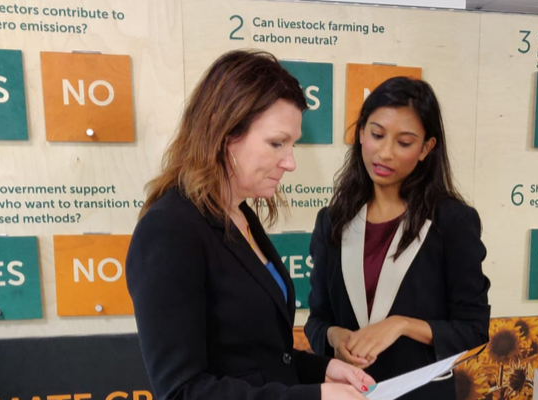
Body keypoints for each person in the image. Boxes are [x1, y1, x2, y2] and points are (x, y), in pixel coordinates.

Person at [126, 49, 374, 400]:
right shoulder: (169, 231)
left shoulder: (240, 215)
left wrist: (323, 369)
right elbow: (183, 391)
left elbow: (260, 357)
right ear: (223, 131)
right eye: (276, 143)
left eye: (292, 145)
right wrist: (314, 397)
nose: (289, 163)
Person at [304, 77, 491, 400]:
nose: (385, 152)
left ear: (426, 149)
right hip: (348, 394)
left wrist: (401, 325)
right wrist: (335, 338)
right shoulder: (332, 221)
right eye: (377, 135)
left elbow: (473, 330)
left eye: (404, 143)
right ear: (361, 133)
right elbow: (318, 320)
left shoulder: (452, 222)